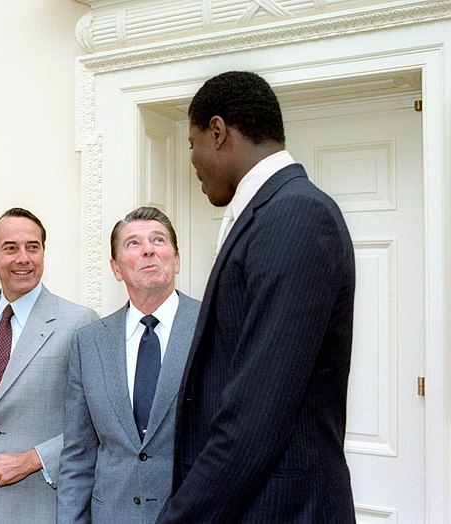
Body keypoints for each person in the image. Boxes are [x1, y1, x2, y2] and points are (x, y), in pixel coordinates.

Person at [156, 71, 356, 523]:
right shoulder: (270, 212)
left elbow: (257, 412)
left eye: (192, 143)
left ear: (218, 131)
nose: (193, 159)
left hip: (280, 508)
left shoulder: (296, 214)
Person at [0, 207, 99, 524]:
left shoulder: (80, 321)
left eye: (33, 247)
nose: (23, 258)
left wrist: (33, 459)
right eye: (10, 248)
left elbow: (95, 419)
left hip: (45, 500)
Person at [58, 206, 200, 523]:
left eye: (158, 240)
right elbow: (77, 455)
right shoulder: (89, 342)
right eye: (133, 243)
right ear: (116, 268)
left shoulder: (213, 329)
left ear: (176, 259)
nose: (148, 249)